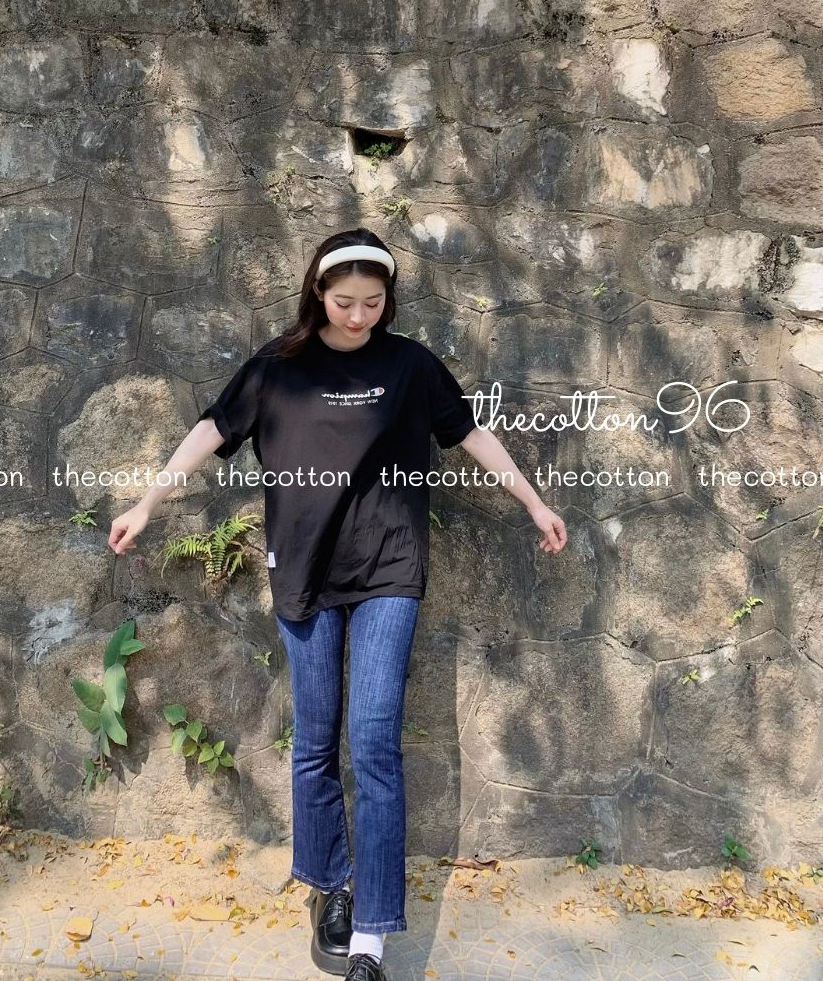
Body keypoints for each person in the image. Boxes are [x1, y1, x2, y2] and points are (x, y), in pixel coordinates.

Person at [109, 227, 567, 981]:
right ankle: (333, 886)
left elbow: (469, 433)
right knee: (316, 741)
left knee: (376, 741)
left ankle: (372, 937)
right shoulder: (276, 368)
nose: (358, 317)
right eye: (345, 301)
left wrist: (534, 502)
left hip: (389, 567)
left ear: (389, 301)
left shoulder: (410, 365)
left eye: (373, 303)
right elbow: (211, 430)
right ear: (318, 294)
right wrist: (148, 503)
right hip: (304, 571)